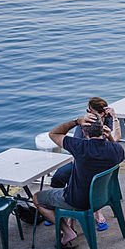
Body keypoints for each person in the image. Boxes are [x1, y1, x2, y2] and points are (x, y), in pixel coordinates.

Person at [34, 107, 125, 249]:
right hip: (103, 198)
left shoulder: (79, 146)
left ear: (84, 132)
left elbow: (53, 134)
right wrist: (110, 138)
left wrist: (76, 121)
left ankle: (67, 231)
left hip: (79, 201)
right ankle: (71, 225)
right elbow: (116, 148)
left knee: (37, 198)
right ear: (103, 130)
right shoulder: (116, 150)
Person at [50, 97, 115, 230]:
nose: (87, 113)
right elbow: (115, 148)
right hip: (83, 160)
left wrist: (114, 119)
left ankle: (93, 211)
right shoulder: (84, 124)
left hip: (99, 163)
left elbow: (55, 134)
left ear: (102, 113)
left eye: (89, 111)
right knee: (59, 176)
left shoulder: (109, 122)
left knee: (83, 177)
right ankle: (61, 210)